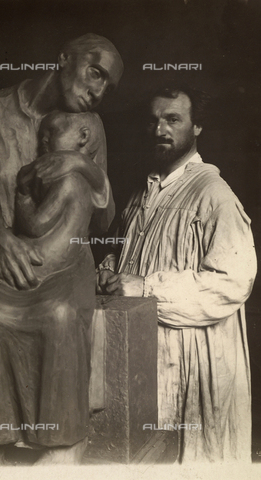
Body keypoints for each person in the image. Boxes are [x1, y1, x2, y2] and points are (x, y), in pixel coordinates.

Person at [0, 33, 123, 465]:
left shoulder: (90, 128)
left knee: (60, 315)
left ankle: (63, 442)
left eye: (108, 86)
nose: (98, 90)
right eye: (95, 72)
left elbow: (103, 219)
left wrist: (84, 166)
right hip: (4, 253)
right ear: (63, 58)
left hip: (64, 259)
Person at [97, 84, 257, 462]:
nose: (159, 130)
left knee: (188, 456)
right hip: (139, 351)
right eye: (153, 120)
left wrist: (147, 286)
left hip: (194, 357)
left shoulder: (214, 194)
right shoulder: (141, 193)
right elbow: (117, 253)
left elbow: (233, 281)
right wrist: (104, 273)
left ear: (197, 126)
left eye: (172, 119)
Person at [0, 110, 109, 314]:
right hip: (53, 257)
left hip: (43, 260)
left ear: (83, 136)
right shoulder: (78, 179)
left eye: (52, 131)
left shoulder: (70, 181)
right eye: (42, 133)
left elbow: (35, 226)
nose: (43, 139)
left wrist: (23, 194)